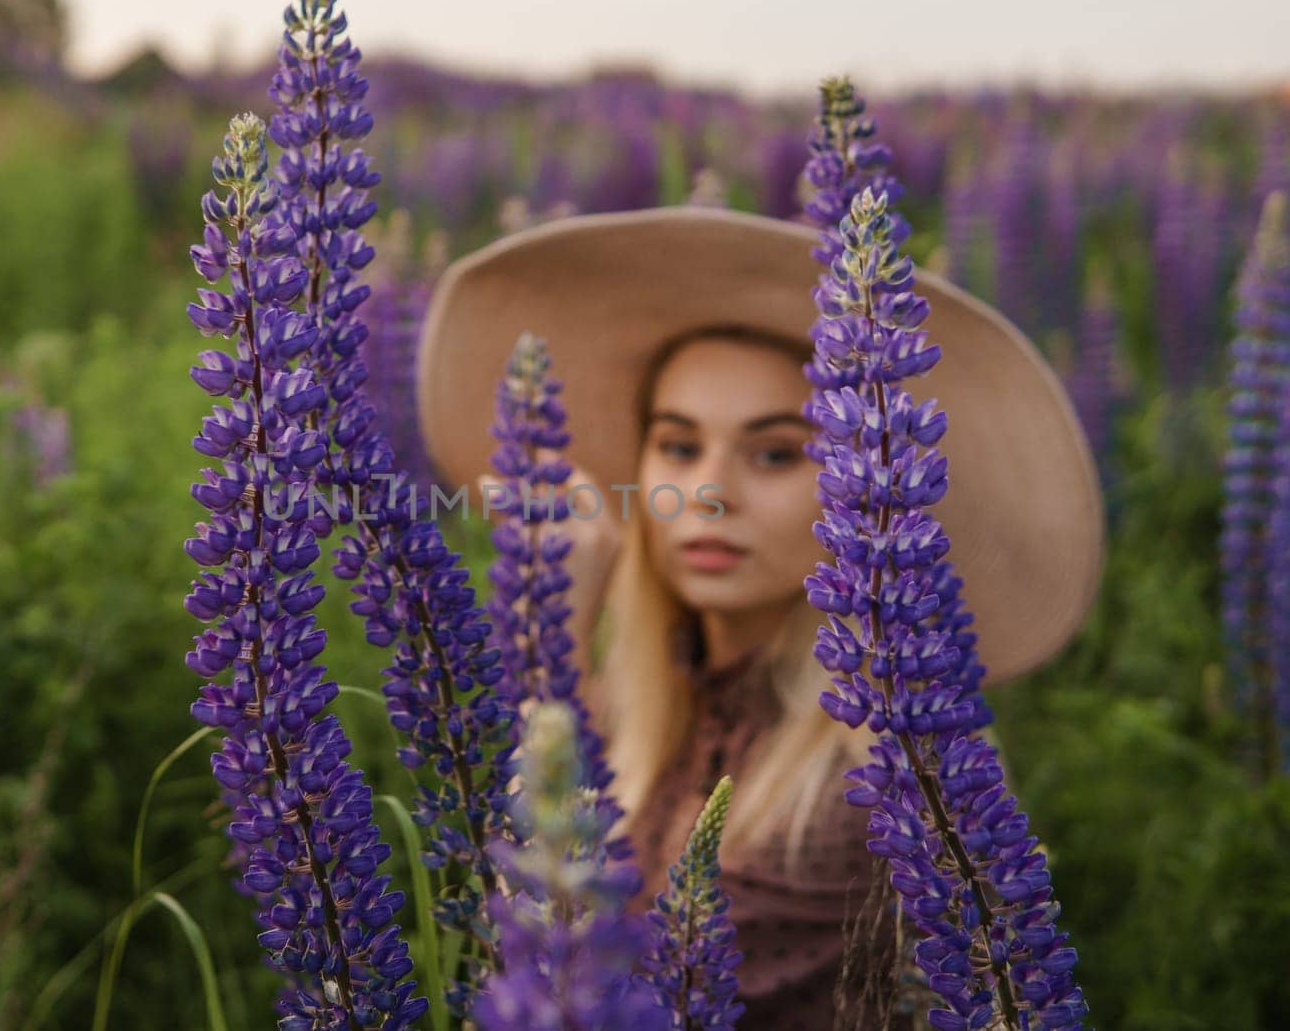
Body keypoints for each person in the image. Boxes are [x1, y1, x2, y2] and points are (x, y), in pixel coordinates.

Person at [416, 206, 1103, 1028]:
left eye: (776, 451)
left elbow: (596, 998)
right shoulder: (627, 723)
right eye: (677, 444)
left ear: (857, 484)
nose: (710, 491)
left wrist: (544, 644)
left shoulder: (875, 784)